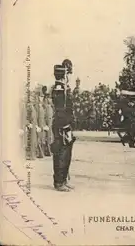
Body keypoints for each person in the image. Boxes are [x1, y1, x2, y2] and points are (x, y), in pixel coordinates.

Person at [51, 59, 76, 192]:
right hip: (62, 125)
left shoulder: (64, 88)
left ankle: (63, 179)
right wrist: (66, 125)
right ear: (62, 75)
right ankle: (59, 182)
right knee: (61, 153)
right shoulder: (59, 88)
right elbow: (61, 110)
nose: (68, 76)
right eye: (67, 74)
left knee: (66, 153)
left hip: (65, 125)